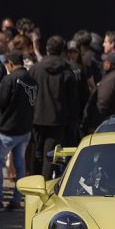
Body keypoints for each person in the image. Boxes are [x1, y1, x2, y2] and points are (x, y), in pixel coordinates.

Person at [0, 51, 38, 210]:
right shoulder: (33, 80)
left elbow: (0, 102)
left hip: (8, 130)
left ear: (10, 64)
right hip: (25, 129)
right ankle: (16, 200)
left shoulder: (9, 79)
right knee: (20, 164)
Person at [30, 35, 77, 179]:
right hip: (57, 120)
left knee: (36, 153)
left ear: (47, 49)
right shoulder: (67, 71)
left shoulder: (35, 69)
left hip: (36, 118)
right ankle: (45, 185)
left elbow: (28, 92)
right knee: (50, 155)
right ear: (63, 50)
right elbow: (73, 100)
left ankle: (34, 186)